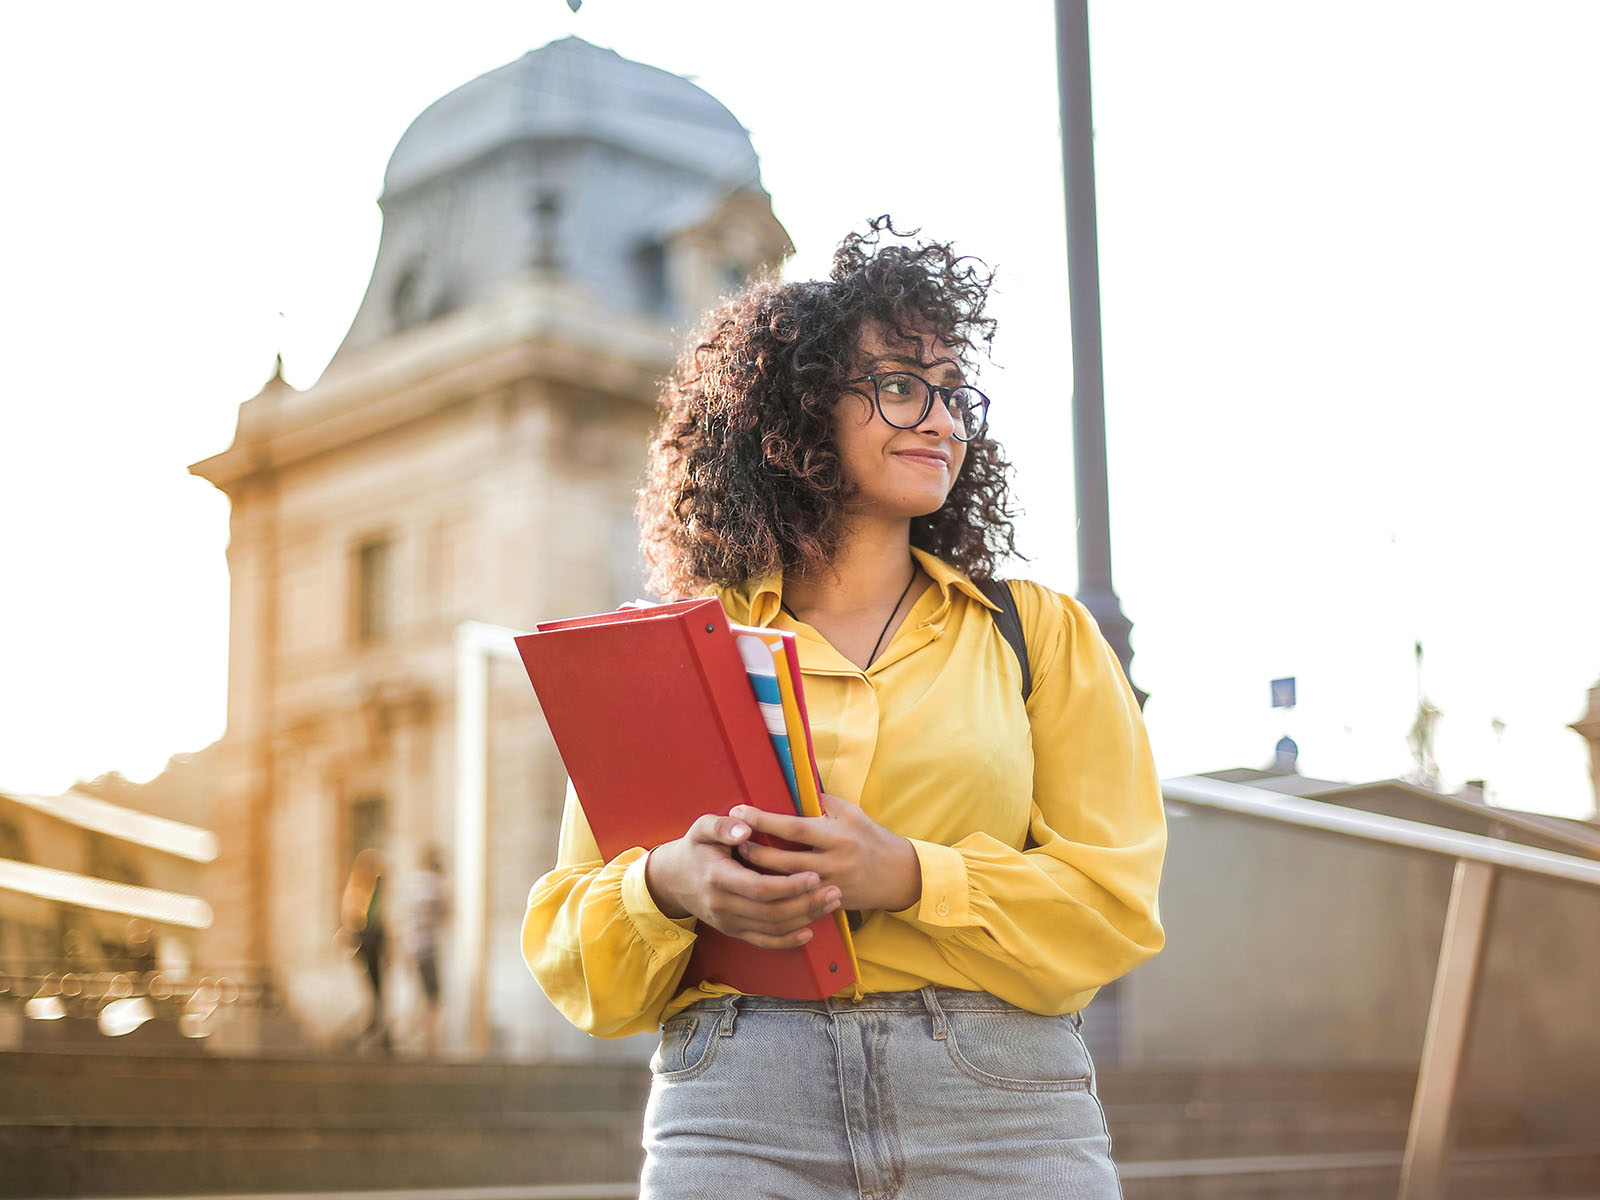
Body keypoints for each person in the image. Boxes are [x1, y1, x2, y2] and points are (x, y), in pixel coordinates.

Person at [522, 217, 1166, 1198]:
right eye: (902, 385)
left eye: (954, 394)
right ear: (798, 409)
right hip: (737, 1105)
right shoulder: (681, 651)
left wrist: (909, 875)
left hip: (999, 1108)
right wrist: (667, 886)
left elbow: (1113, 907)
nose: (942, 419)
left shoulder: (1037, 635)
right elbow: (576, 951)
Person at [340, 847, 390, 1052]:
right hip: (367, 945)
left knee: (378, 992)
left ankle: (380, 1033)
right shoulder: (360, 890)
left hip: (374, 945)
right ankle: (371, 1032)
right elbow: (354, 919)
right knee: (373, 992)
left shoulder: (375, 890)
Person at [401, 844, 449, 1055]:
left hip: (411, 947)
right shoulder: (433, 886)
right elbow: (445, 913)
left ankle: (419, 1040)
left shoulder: (411, 885)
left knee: (420, 995)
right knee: (433, 998)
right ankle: (428, 1043)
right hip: (427, 948)